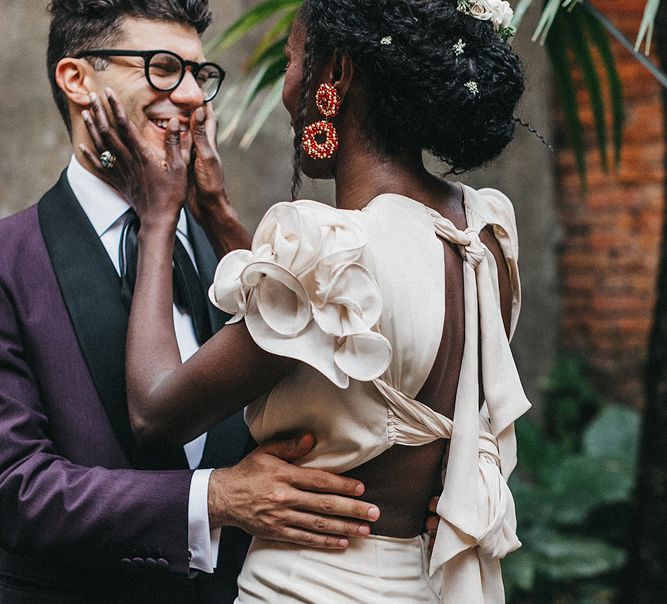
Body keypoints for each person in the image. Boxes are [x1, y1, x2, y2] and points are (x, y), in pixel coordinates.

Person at [84, 0, 532, 601]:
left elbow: (156, 413)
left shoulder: (340, 252)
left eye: (294, 62)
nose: (289, 88)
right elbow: (315, 327)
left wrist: (158, 213)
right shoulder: (483, 233)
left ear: (336, 76)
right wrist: (215, 211)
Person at [0, 2, 383, 603]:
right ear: (77, 80)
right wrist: (217, 498)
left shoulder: (224, 248)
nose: (189, 97)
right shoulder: (8, 259)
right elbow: (15, 487)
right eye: (160, 68)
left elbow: (315, 400)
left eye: (198, 75)